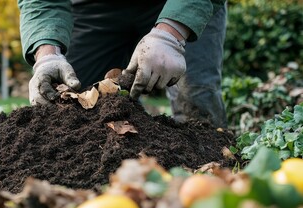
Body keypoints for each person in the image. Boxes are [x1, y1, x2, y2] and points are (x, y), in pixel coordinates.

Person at [18, 0, 228, 128]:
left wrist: (171, 34)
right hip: (92, 8)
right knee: (69, 111)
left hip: (178, 3)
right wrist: (47, 55)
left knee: (195, 101)